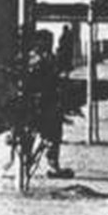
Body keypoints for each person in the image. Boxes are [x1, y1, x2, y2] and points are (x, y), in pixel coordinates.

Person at [29, 31, 73, 179]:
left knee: (48, 135)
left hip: (42, 102)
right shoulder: (41, 59)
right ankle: (51, 165)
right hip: (44, 103)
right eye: (47, 41)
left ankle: (44, 163)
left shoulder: (38, 58)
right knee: (53, 135)